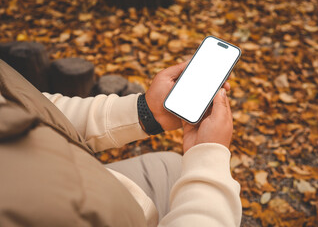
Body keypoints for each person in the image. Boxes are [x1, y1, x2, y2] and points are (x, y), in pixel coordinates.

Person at [0, 59, 241, 226]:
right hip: (104, 207)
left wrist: (146, 112)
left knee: (172, 166)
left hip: (99, 184)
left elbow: (34, 108)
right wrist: (209, 161)